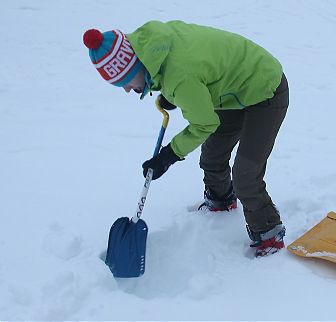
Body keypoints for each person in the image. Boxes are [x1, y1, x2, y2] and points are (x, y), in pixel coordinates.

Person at [83, 20, 289, 257]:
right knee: (212, 155)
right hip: (232, 88)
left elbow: (204, 122)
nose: (127, 90)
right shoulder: (155, 45)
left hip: (266, 89)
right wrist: (169, 90)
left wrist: (168, 155)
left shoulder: (179, 77)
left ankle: (269, 234)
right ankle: (221, 201)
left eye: (125, 82)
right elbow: (195, 69)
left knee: (245, 174)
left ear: (134, 67)